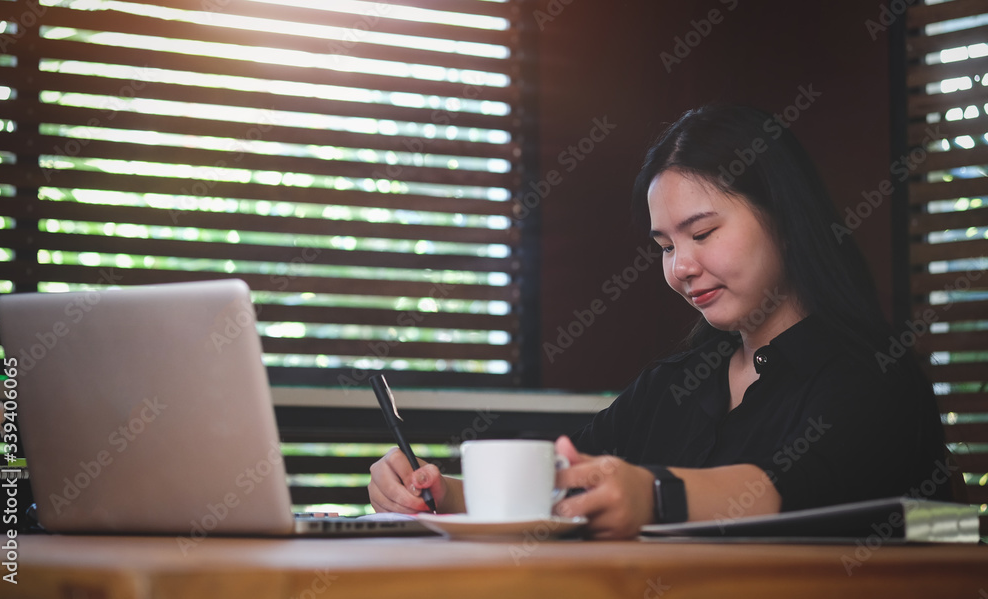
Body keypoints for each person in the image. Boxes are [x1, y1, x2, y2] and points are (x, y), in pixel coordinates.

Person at [367, 104, 952, 539]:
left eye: (702, 234)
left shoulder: (874, 376)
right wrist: (440, 492)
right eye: (665, 247)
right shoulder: (676, 384)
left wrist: (654, 495)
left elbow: (800, 493)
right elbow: (566, 483)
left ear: (786, 217)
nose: (682, 268)